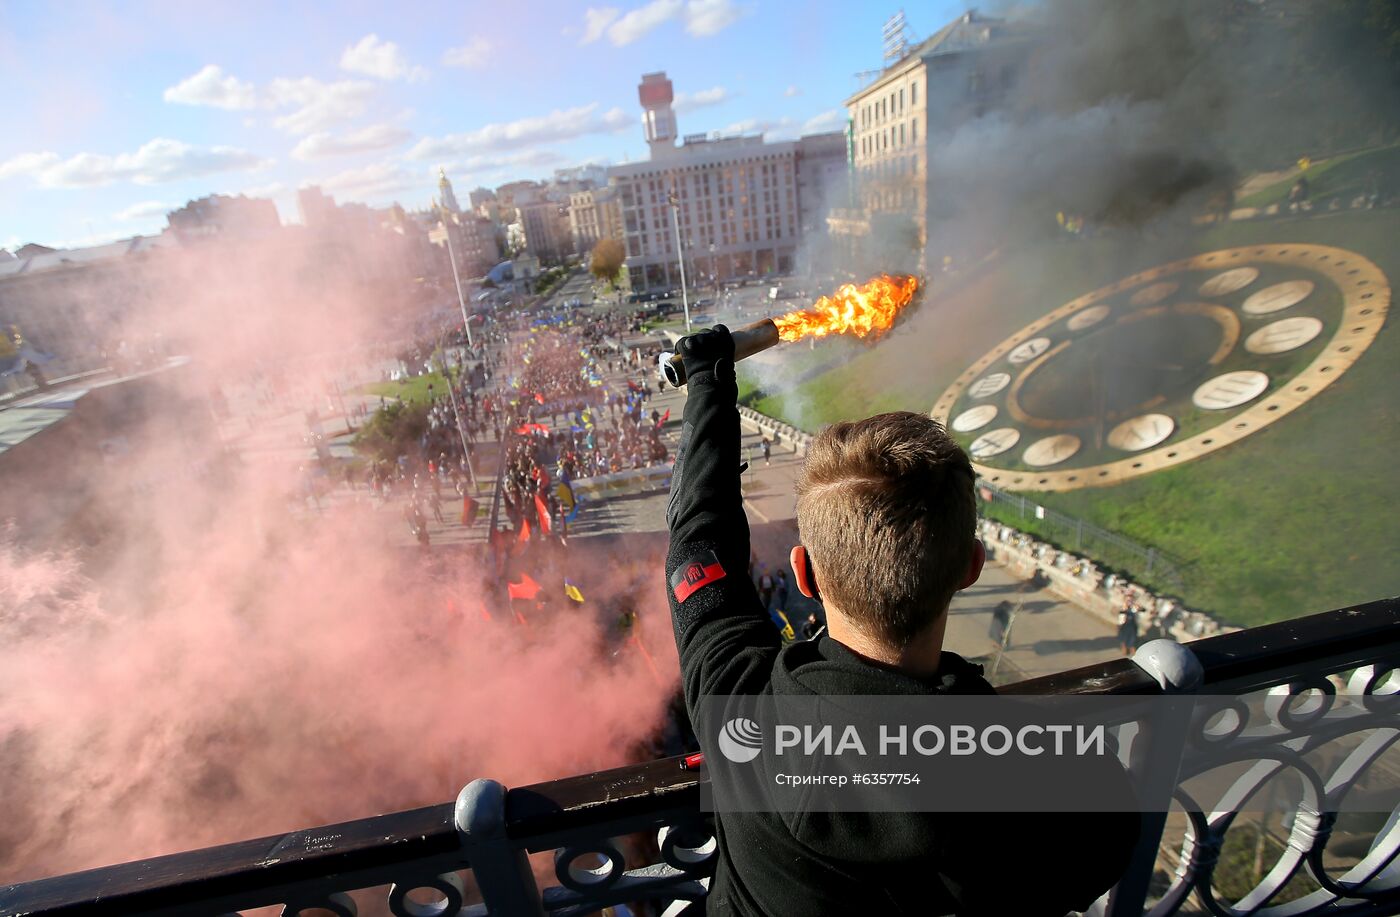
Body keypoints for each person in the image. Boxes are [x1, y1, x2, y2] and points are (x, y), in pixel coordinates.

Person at [664, 325, 1139, 917]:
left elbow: (696, 543)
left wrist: (709, 386)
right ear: (970, 567)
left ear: (804, 574)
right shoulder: (1048, 778)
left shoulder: (736, 704)